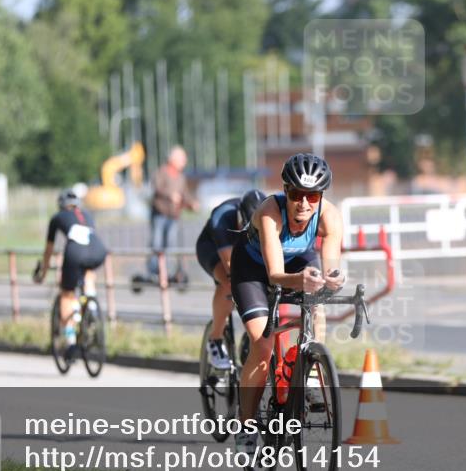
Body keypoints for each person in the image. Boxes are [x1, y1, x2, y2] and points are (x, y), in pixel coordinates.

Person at [229, 153, 345, 454]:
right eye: (296, 194)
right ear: (285, 191)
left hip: (299, 261)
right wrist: (303, 280)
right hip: (253, 270)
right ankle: (246, 427)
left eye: (312, 196)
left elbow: (331, 265)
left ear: (321, 197)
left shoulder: (330, 216)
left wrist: (333, 279)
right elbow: (276, 275)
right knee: (263, 347)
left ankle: (308, 375)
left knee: (317, 306)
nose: (304, 204)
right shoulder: (270, 212)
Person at [196, 189, 267, 369]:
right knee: (229, 282)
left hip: (245, 248)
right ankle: (216, 339)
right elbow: (231, 267)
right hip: (212, 248)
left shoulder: (270, 215)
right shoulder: (222, 218)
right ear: (240, 216)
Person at [33, 189, 108, 353]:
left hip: (75, 252)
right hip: (99, 250)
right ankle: (92, 307)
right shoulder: (87, 215)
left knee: (67, 293)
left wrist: (43, 272)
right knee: (88, 272)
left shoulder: (57, 217)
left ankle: (71, 340)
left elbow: (48, 250)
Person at [147, 145, 199, 280]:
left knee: (171, 244)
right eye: (182, 159)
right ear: (173, 159)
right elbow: (157, 188)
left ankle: (167, 272)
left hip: (174, 216)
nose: (184, 162)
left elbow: (185, 194)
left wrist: (191, 203)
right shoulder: (161, 172)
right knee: (156, 243)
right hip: (160, 214)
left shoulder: (181, 177)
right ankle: (154, 272)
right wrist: (170, 195)